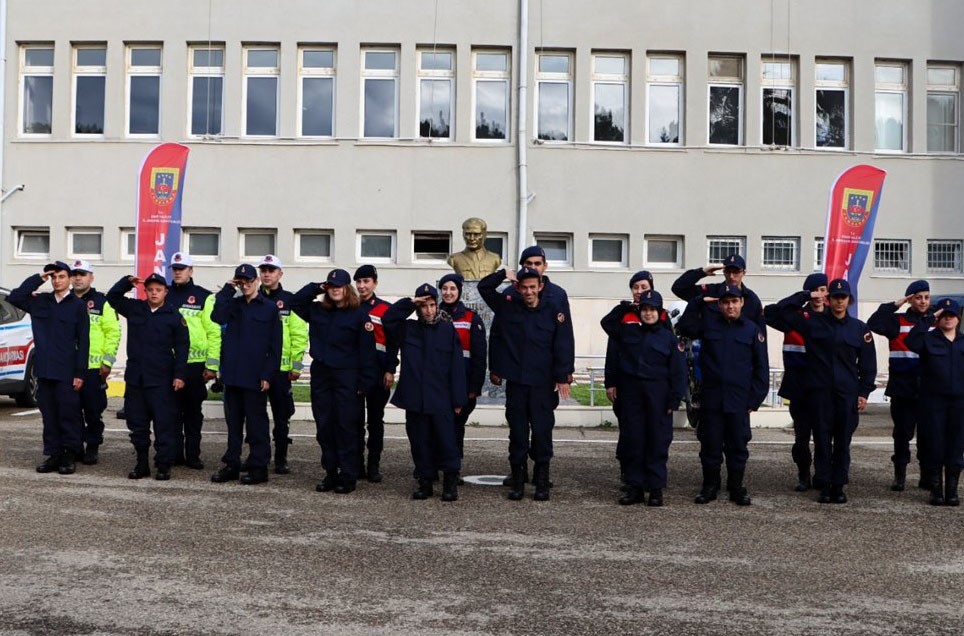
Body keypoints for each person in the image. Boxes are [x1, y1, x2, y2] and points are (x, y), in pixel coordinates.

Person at [773, 279, 876, 504]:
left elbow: (868, 365)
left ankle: (838, 486)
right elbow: (777, 312)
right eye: (835, 297)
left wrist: (864, 392)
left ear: (849, 300)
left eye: (843, 297)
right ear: (828, 299)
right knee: (821, 440)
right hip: (819, 394)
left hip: (846, 395)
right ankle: (824, 484)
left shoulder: (859, 329)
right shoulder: (812, 323)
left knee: (842, 442)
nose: (839, 301)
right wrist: (806, 295)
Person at [479, 266, 574, 501]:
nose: (529, 292)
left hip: (543, 384)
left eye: (533, 287)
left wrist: (563, 375)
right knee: (518, 434)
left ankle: (541, 481)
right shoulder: (509, 306)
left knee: (542, 433)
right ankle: (518, 480)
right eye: (524, 287)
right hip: (518, 383)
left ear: (540, 286)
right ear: (518, 288)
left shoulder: (553, 309)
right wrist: (503, 274)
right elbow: (484, 288)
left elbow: (563, 342)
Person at [676, 284, 769, 506]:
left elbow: (761, 368)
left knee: (738, 446)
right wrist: (697, 301)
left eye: (734, 301)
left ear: (741, 303)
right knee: (710, 445)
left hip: (739, 400)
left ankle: (736, 487)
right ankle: (710, 486)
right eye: (725, 302)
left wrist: (754, 400)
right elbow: (684, 327)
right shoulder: (709, 325)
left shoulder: (751, 330)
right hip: (712, 398)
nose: (730, 306)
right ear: (719, 304)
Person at [291, 268, 377, 495]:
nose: (335, 290)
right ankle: (331, 472)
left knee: (346, 427)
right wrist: (317, 287)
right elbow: (295, 302)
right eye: (331, 286)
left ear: (347, 289)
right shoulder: (318, 310)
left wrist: (364, 384)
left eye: (339, 286)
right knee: (324, 426)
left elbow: (367, 353)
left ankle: (348, 475)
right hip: (322, 374)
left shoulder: (359, 315)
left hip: (347, 376)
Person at [601, 290, 686, 506]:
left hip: (658, 396)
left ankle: (655, 489)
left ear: (660, 312)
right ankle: (634, 488)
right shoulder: (628, 332)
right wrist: (626, 307)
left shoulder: (669, 338)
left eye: (652, 310)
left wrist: (674, 399)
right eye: (644, 309)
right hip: (632, 395)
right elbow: (607, 323)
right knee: (633, 442)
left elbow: (678, 372)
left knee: (657, 443)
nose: (648, 313)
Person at [383, 284, 467, 501]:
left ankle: (450, 483)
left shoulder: (447, 330)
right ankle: (425, 482)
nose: (429, 310)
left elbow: (457, 367)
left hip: (441, 398)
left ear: (437, 306)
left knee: (446, 442)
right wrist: (411, 303)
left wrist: (458, 399)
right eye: (424, 306)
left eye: (432, 305)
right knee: (420, 443)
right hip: (416, 398)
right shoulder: (408, 328)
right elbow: (388, 319)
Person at [8, 261, 90, 475]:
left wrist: (80, 373)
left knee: (68, 414)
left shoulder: (78, 306)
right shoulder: (41, 302)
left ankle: (70, 454)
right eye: (54, 277)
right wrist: (39, 278)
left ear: (69, 279)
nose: (57, 281)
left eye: (61, 276)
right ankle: (54, 454)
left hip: (66, 371)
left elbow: (84, 342)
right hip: (44, 370)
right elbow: (15, 297)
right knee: (49, 415)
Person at [106, 273, 189, 480]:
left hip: (161, 380)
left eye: (158, 290)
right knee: (137, 425)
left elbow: (182, 348)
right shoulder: (136, 309)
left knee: (163, 424)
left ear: (165, 292)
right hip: (137, 379)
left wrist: (179, 375)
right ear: (145, 291)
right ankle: (141, 463)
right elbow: (112, 298)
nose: (154, 293)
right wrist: (126, 282)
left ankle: (163, 464)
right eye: (150, 290)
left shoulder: (173, 316)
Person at [210, 264, 282, 486]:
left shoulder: (269, 308)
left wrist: (267, 375)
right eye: (241, 282)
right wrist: (227, 290)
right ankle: (232, 464)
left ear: (257, 281)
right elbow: (216, 316)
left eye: (249, 281)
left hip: (255, 376)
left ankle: (259, 467)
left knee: (256, 424)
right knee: (233, 425)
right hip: (233, 375)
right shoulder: (233, 304)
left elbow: (275, 347)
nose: (246, 285)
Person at [763, 272, 828, 491]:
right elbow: (771, 312)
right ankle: (803, 474)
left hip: (823, 386)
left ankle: (822, 475)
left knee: (823, 436)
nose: (818, 295)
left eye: (822, 290)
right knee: (802, 437)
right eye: (814, 291)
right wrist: (802, 296)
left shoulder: (833, 317)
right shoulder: (793, 316)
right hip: (798, 384)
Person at [868, 280, 933, 491]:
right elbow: (874, 322)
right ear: (910, 300)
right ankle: (900, 475)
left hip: (929, 389)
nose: (923, 301)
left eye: (926, 297)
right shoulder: (897, 321)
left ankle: (926, 476)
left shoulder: (935, 321)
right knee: (902, 434)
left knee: (928, 435)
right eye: (918, 297)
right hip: (903, 387)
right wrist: (896, 304)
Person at [904, 297, 964, 506]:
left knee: (956, 446)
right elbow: (911, 341)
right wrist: (929, 318)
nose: (948, 319)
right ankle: (936, 490)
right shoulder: (928, 339)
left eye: (951, 315)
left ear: (958, 318)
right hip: (933, 403)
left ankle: (952, 491)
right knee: (934, 445)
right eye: (944, 315)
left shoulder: (963, 341)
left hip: (959, 403)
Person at [167, 252, 221, 469]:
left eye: (182, 269)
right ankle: (175, 454)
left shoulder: (204, 296)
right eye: (175, 269)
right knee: (171, 412)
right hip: (170, 364)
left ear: (191, 271)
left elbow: (214, 332)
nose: (178, 272)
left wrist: (212, 365)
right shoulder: (164, 294)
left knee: (192, 413)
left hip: (195, 366)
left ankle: (193, 455)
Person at [258, 255, 308, 474]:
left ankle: (280, 457)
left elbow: (299, 334)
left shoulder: (290, 300)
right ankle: (259, 456)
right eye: (263, 270)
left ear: (280, 274)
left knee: (282, 416)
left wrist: (296, 365)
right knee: (256, 416)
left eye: (271, 270)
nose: (267, 274)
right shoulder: (252, 297)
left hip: (281, 370)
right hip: (257, 368)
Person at [69, 259, 121, 465]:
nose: (78, 278)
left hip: (93, 368)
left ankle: (92, 445)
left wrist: (107, 362)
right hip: (69, 367)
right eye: (75, 274)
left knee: (92, 410)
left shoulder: (102, 302)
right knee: (71, 411)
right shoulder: (64, 300)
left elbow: (113, 333)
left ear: (91, 277)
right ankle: (74, 447)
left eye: (82, 274)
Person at [353, 264, 399, 483]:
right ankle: (357, 464)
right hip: (355, 373)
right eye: (358, 282)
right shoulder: (350, 307)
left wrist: (390, 369)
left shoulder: (385, 309)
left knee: (375, 421)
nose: (362, 286)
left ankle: (373, 465)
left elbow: (392, 343)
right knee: (355, 422)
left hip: (379, 373)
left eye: (366, 281)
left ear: (375, 283)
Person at [438, 273, 487, 476]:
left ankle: (453, 469)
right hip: (438, 384)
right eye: (444, 288)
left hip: (462, 385)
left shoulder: (470, 318)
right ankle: (434, 466)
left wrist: (474, 388)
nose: (448, 293)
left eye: (452, 289)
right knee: (435, 428)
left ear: (459, 291)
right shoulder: (433, 314)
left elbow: (479, 356)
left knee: (456, 428)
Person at [671, 254, 765, 327]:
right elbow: (678, 288)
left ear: (743, 273)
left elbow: (760, 333)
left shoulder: (752, 299)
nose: (731, 276)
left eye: (736, 272)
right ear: (724, 272)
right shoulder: (711, 292)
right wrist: (702, 272)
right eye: (728, 271)